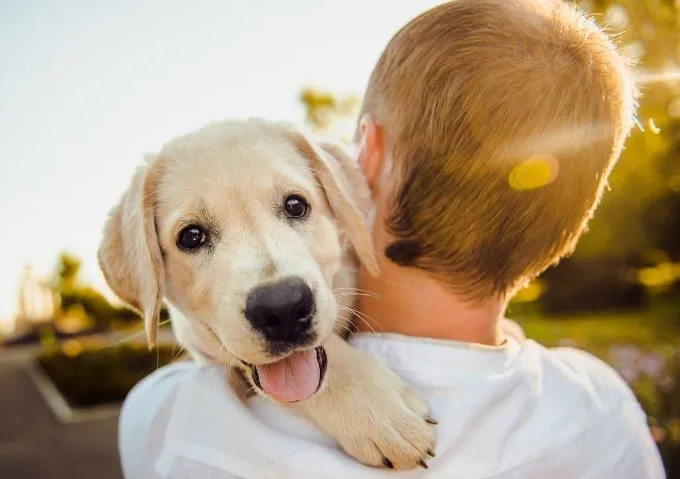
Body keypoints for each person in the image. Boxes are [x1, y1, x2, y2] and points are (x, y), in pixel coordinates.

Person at [118, 0, 666, 477]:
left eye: (293, 207)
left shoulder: (171, 426)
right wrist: (335, 380)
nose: (275, 285)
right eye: (193, 236)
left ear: (366, 156)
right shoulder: (603, 408)